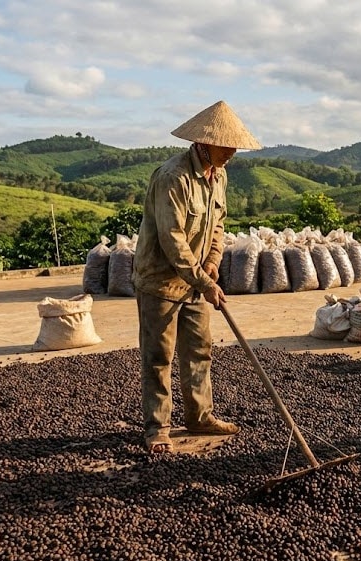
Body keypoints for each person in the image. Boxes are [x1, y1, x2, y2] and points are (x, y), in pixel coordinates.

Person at [132, 100, 262, 454]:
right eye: (227, 145)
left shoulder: (218, 175)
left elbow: (218, 223)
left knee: (199, 351)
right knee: (159, 356)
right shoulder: (172, 177)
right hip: (160, 280)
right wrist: (205, 283)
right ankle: (157, 427)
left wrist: (213, 262)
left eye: (236, 146)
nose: (233, 152)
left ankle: (199, 416)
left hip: (196, 279)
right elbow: (171, 240)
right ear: (205, 143)